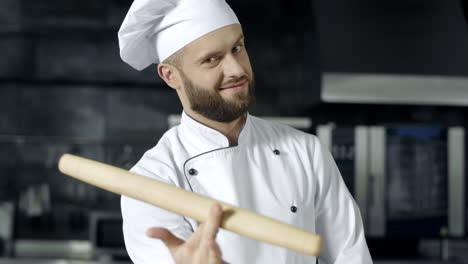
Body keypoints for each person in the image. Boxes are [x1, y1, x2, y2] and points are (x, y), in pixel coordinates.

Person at [118, 0, 373, 263]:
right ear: (170, 76)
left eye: (237, 48)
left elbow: (351, 256)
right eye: (212, 59)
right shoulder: (151, 181)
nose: (237, 69)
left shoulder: (305, 151)